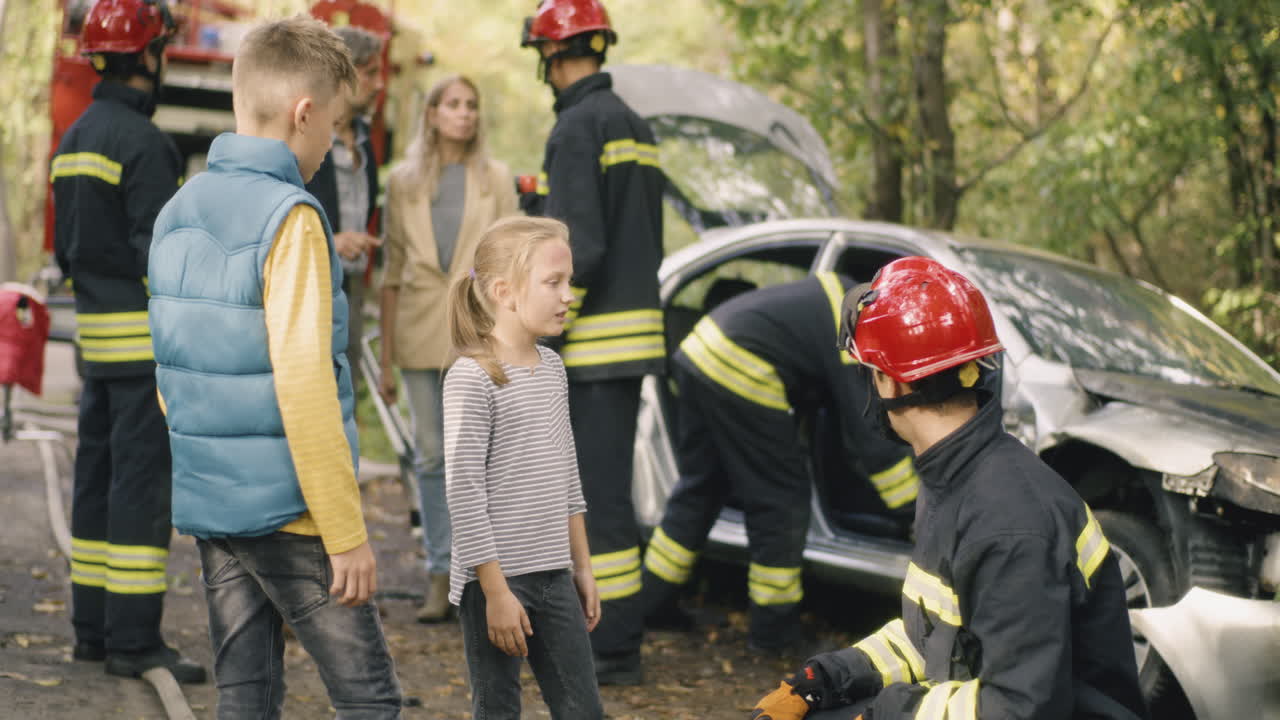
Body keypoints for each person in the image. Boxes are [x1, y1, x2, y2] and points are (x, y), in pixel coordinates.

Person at [749, 257, 1147, 720]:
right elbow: (935, 637)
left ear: (891, 382)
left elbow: (1020, 708)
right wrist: (828, 678)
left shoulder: (1007, 522)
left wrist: (886, 713)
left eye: (868, 372)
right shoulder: (956, 475)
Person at [147, 16, 402, 717]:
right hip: (294, 516)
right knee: (371, 699)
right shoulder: (292, 218)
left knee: (247, 695)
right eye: (336, 125)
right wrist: (346, 535)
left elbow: (170, 367)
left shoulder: (177, 211)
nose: (332, 145)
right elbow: (304, 381)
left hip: (215, 508)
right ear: (304, 113)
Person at [639, 272, 918, 655]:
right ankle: (774, 635)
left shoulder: (842, 296)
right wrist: (914, 508)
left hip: (700, 351)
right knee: (781, 501)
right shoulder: (859, 326)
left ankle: (652, 602)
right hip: (740, 363)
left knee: (700, 489)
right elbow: (867, 434)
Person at [50, 0, 205, 684]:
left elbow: (65, 249)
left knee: (95, 483)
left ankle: (91, 630)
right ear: (148, 55)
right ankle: (135, 640)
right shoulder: (145, 144)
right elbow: (159, 257)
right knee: (140, 490)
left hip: (95, 344)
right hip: (144, 351)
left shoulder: (77, 135)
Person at [519, 0, 666, 685]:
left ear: (551, 55)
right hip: (630, 340)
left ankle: (611, 648)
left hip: (595, 345)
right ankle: (617, 636)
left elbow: (580, 246)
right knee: (609, 496)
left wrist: (535, 322)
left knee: (594, 501)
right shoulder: (632, 121)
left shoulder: (577, 126)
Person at [443, 216, 604, 719]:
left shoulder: (552, 368)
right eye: (553, 283)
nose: (568, 295)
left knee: (584, 711)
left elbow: (567, 476)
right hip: (493, 582)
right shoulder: (472, 377)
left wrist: (582, 566)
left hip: (555, 574)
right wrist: (494, 591)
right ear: (504, 292)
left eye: (569, 281)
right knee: (498, 711)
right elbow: (463, 493)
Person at [378, 74, 517, 624]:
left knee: (482, 459)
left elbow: (513, 261)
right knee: (431, 457)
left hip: (478, 333)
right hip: (415, 334)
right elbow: (391, 269)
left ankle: (486, 576)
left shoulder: (496, 179)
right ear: (432, 113)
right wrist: (386, 354)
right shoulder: (402, 182)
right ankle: (440, 574)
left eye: (472, 105)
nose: (464, 114)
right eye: (454, 105)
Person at [305, 24, 385, 388]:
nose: (380, 84)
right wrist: (332, 243)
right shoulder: (305, 140)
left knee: (345, 390)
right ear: (343, 73)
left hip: (348, 290)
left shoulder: (366, 144)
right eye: (370, 73)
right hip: (308, 293)